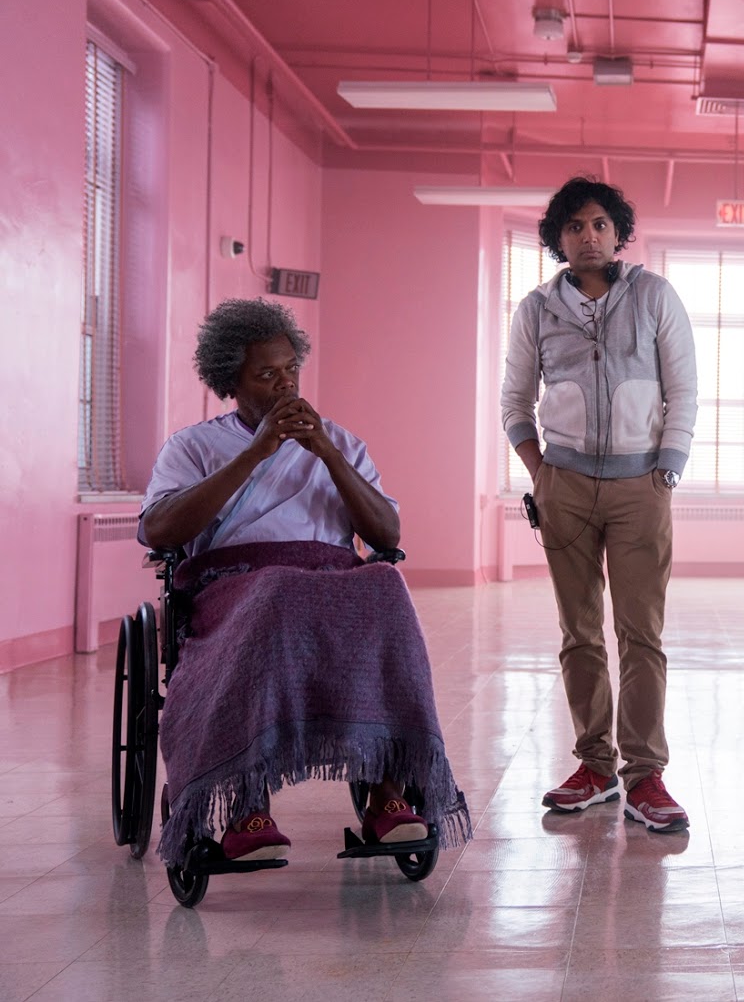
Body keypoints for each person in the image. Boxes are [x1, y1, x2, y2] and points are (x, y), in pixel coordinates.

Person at [139, 298, 470, 865]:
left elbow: (386, 532)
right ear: (231, 381)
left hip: (329, 576)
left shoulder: (340, 441)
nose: (285, 383)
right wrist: (256, 452)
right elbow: (159, 530)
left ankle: (387, 796)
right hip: (236, 584)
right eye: (266, 374)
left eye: (290, 368)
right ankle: (247, 806)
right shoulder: (193, 447)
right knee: (277, 592)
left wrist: (329, 456)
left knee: (385, 585)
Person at [500, 176, 698, 833]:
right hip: (565, 485)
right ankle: (594, 765)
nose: (588, 236)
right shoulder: (536, 310)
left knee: (642, 634)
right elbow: (514, 403)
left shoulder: (654, 296)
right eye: (574, 226)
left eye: (599, 224)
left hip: (642, 486)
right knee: (579, 632)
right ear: (558, 238)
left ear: (618, 233)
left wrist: (666, 471)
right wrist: (543, 476)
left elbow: (683, 390)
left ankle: (646, 775)